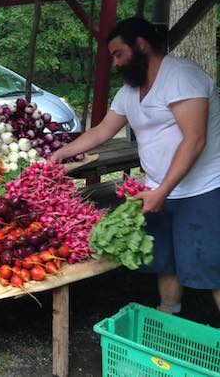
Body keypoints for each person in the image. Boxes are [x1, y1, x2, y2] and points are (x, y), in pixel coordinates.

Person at [50, 17, 220, 315]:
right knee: (164, 260)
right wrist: (61, 154)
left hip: (202, 188)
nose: (116, 63)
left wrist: (162, 190)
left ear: (141, 45)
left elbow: (195, 139)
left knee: (211, 265)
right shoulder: (129, 92)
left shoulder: (181, 76)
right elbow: (101, 131)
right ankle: (169, 314)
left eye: (119, 54)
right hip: (157, 190)